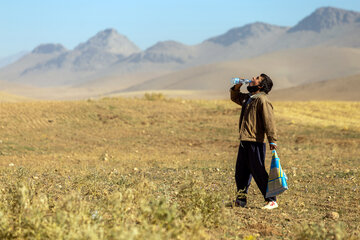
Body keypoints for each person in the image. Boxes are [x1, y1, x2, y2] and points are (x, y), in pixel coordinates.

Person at [230, 73, 278, 210]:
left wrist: (272, 140)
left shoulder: (262, 100)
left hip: (255, 141)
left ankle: (272, 200)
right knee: (241, 172)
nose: (252, 79)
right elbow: (234, 97)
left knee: (258, 171)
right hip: (244, 140)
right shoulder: (249, 98)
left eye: (256, 79)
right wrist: (238, 84)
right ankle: (241, 200)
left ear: (260, 86)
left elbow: (269, 121)